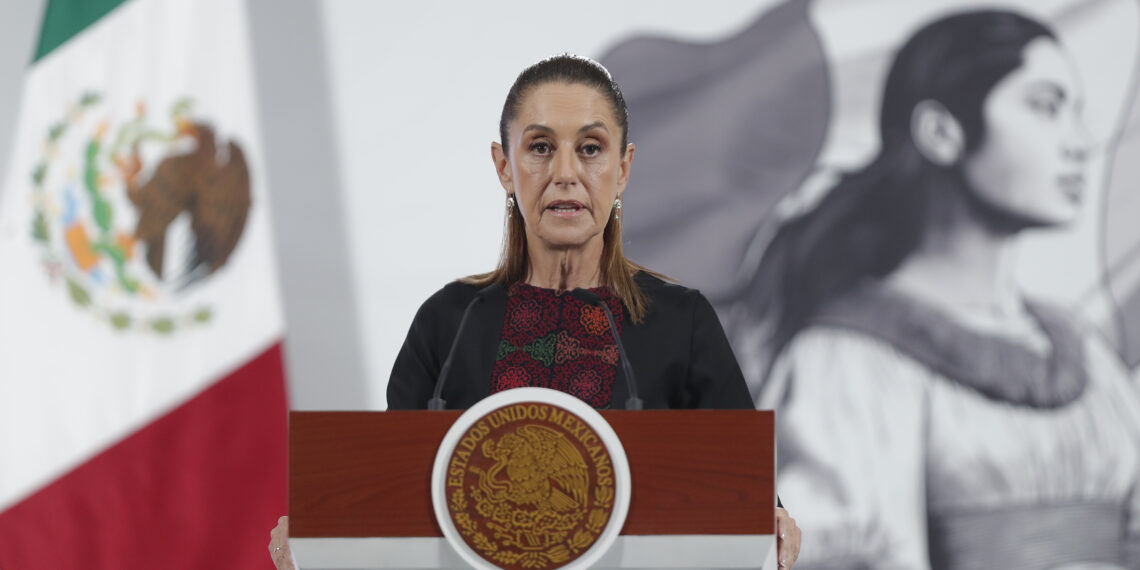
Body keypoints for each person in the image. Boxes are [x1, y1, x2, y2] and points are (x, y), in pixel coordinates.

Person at [268, 54, 802, 569]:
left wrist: (775, 523)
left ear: (623, 168)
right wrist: (321, 536)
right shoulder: (448, 323)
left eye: (590, 149)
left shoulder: (682, 322)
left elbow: (744, 506)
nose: (565, 173)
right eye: (541, 147)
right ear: (504, 167)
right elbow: (386, 508)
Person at [736, 9, 1140, 569]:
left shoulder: (1086, 354)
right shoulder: (848, 361)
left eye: (1078, 113)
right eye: (1046, 107)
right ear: (941, 132)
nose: (1079, 142)